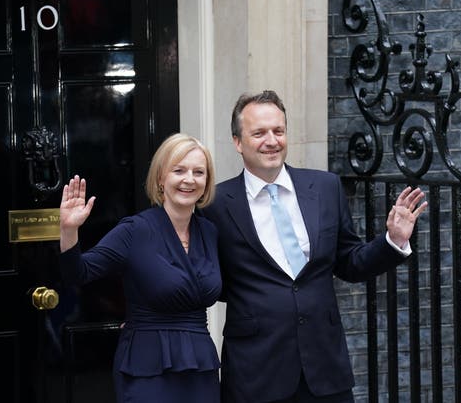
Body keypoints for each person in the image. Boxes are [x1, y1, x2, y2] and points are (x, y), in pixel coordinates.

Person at [203, 90, 427, 403]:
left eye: (278, 131)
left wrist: (394, 241)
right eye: (259, 133)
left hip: (325, 368)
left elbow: (349, 262)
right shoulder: (214, 204)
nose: (272, 140)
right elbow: (211, 280)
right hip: (255, 372)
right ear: (238, 142)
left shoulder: (325, 187)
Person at [58, 133, 222, 403]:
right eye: (178, 170)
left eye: (198, 172)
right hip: (148, 365)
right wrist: (69, 230)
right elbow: (77, 273)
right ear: (161, 178)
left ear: (207, 182)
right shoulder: (135, 230)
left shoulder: (210, 232)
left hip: (200, 366)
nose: (189, 179)